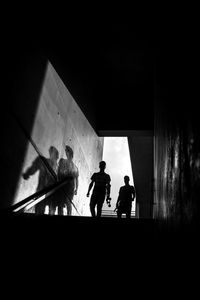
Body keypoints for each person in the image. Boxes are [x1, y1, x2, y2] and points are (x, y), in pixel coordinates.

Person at [22, 146, 59, 215]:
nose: (53, 157)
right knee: (40, 209)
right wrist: (27, 173)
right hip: (42, 191)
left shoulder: (58, 169)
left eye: (54, 155)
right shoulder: (43, 161)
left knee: (49, 210)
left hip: (50, 194)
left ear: (57, 157)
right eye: (52, 153)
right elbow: (34, 167)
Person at [52, 145, 79, 215]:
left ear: (71, 154)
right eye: (66, 152)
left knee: (68, 202)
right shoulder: (62, 161)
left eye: (67, 152)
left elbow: (76, 178)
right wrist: (58, 181)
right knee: (61, 202)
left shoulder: (75, 167)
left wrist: (76, 189)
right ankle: (60, 215)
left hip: (70, 186)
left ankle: (69, 215)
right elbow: (58, 172)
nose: (66, 153)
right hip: (62, 184)